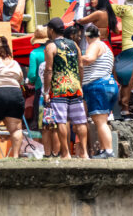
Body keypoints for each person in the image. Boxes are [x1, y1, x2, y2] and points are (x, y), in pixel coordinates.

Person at [43, 18, 87, 159]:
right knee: (80, 121)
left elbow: (48, 70)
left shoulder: (51, 47)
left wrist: (46, 90)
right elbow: (80, 66)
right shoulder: (74, 45)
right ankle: (84, 153)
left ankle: (66, 153)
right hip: (75, 87)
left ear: (51, 30)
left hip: (59, 88)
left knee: (61, 121)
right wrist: (79, 84)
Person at [79, 23, 117, 159]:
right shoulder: (106, 47)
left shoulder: (94, 45)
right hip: (108, 84)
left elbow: (89, 59)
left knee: (100, 121)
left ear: (86, 37)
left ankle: (108, 151)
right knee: (102, 120)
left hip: (98, 85)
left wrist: (74, 57)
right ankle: (103, 150)